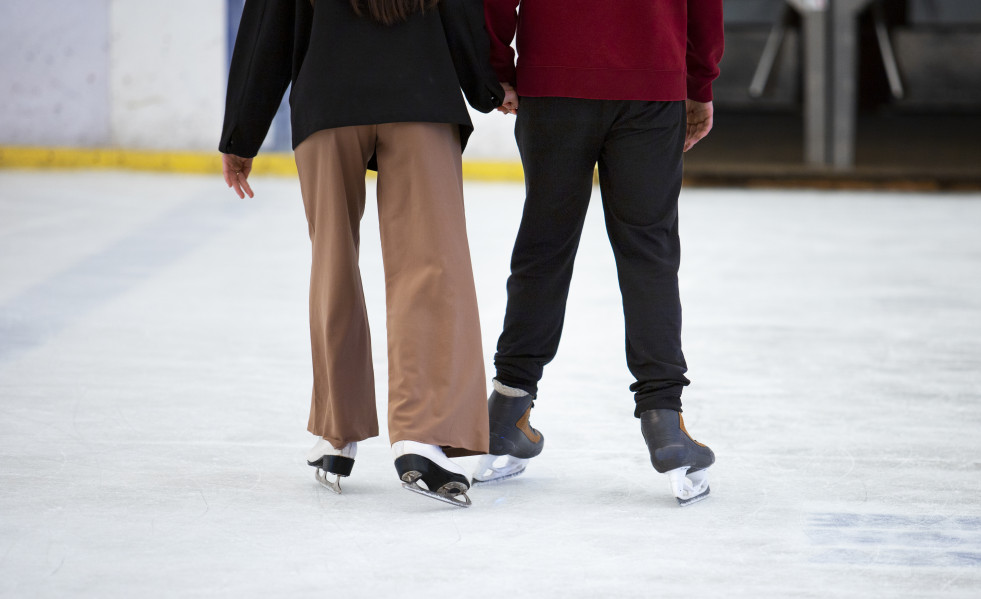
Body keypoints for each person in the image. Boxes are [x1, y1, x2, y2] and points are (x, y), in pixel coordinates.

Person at [219, 0, 512, 507]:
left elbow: (268, 24)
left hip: (329, 99)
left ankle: (338, 435)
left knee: (332, 263)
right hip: (421, 95)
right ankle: (422, 434)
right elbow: (463, 11)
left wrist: (242, 132)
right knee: (431, 265)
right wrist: (487, 86)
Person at [472, 0, 723, 506]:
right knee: (648, 251)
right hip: (651, 82)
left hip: (554, 83)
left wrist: (497, 68)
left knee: (543, 246)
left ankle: (506, 410)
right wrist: (698, 82)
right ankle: (664, 422)